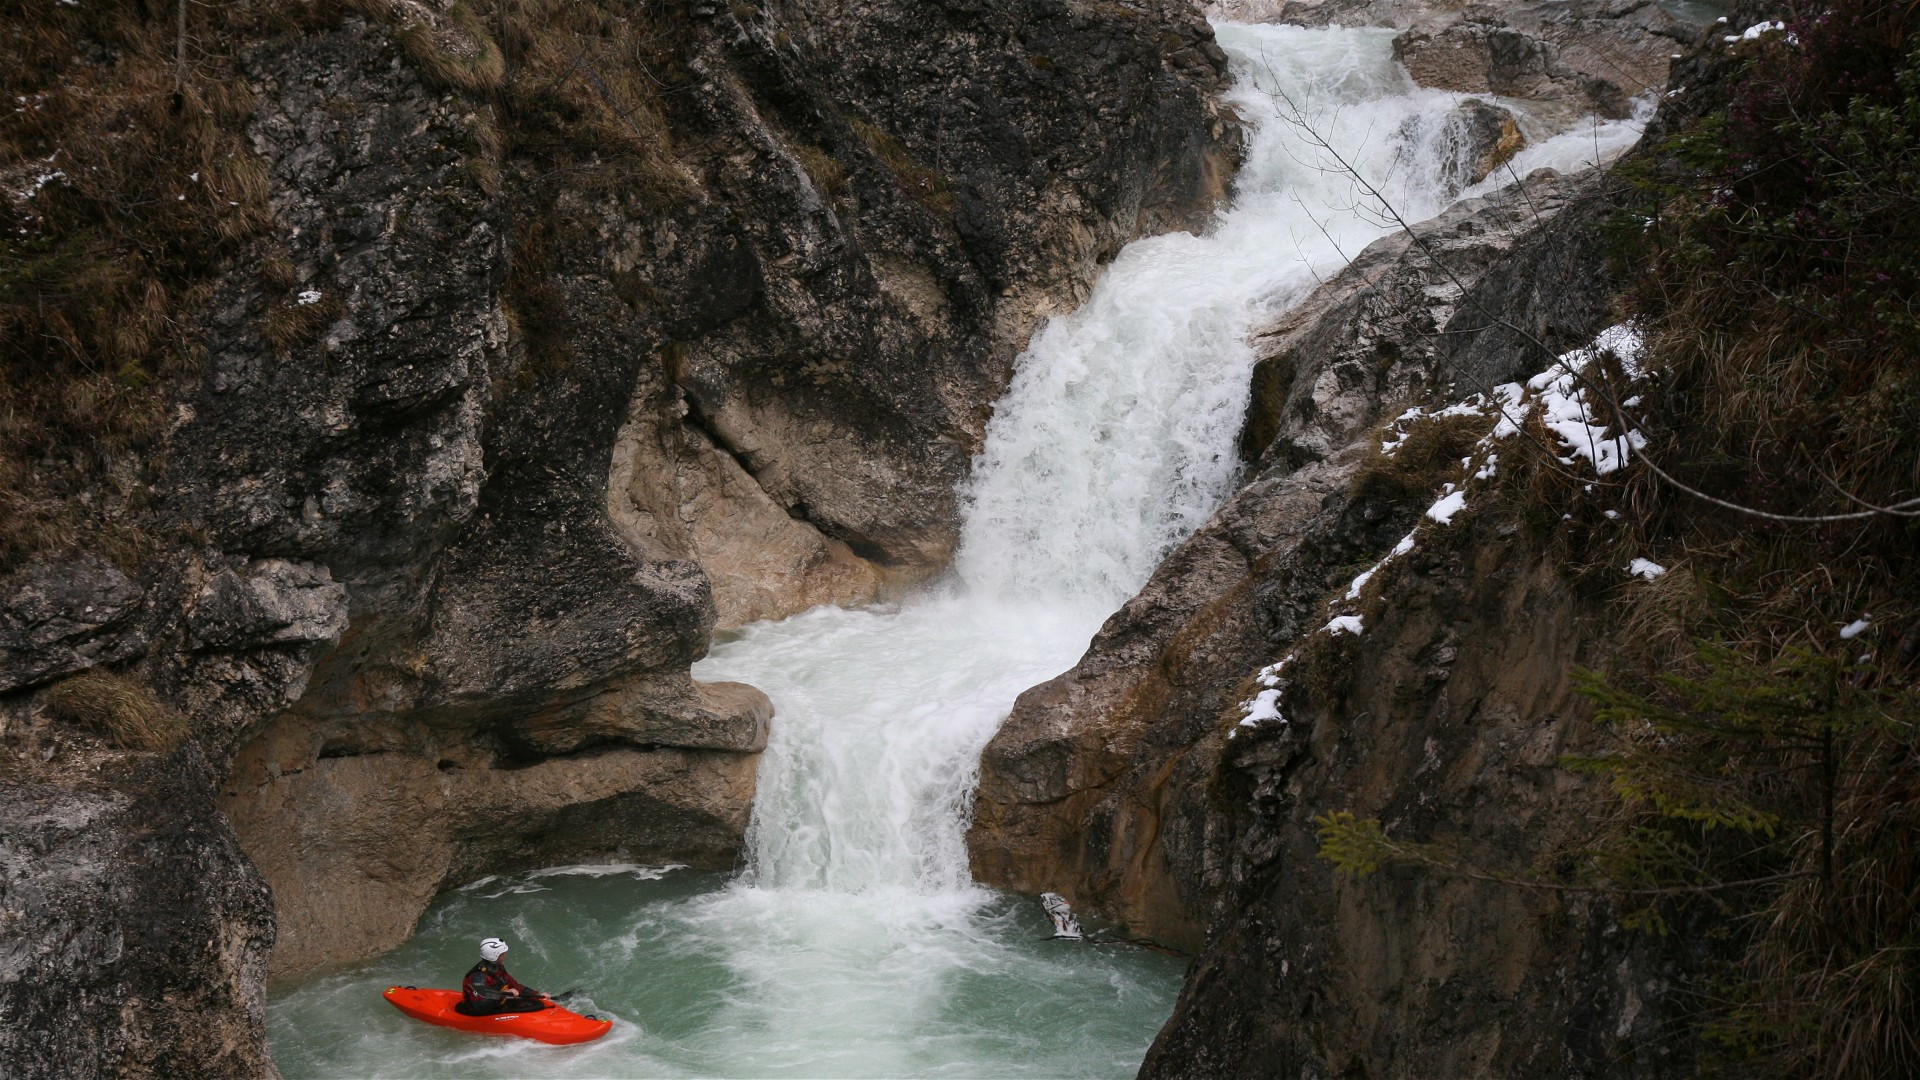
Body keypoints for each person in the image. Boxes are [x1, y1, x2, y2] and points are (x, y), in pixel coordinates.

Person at [457, 937, 550, 1016]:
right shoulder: (477, 977)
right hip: (476, 1013)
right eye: (502, 954)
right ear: (494, 956)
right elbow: (481, 1006)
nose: (505, 955)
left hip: (497, 1005)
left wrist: (537, 995)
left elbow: (515, 986)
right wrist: (505, 994)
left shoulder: (498, 968)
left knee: (536, 1004)